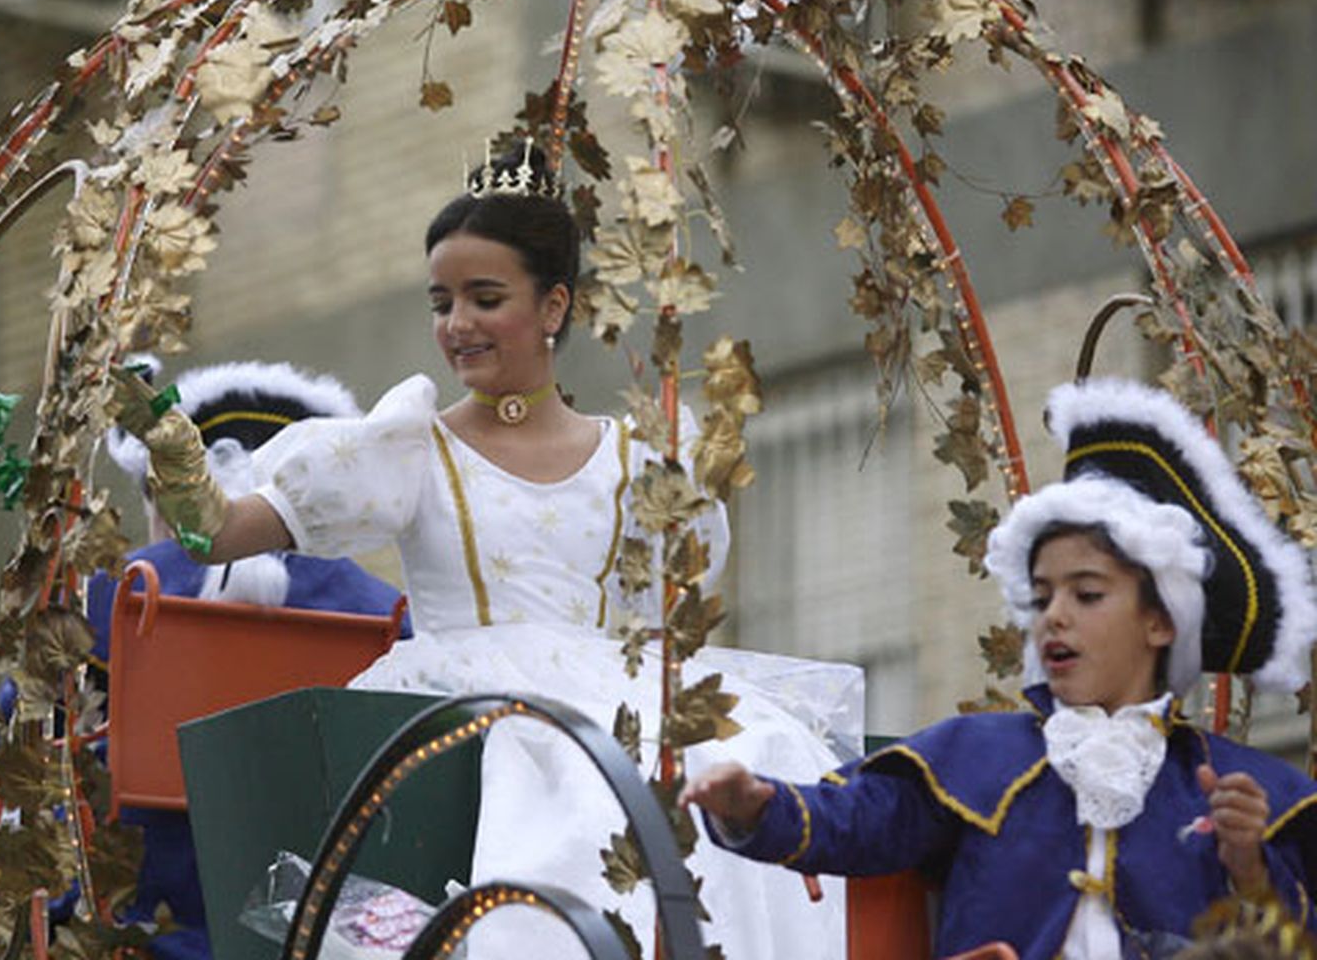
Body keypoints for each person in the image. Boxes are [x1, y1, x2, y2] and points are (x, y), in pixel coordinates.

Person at [112, 140, 857, 959]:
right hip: (465, 709)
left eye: (485, 297)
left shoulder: (643, 457)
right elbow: (217, 534)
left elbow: (676, 608)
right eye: (442, 301)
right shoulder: (409, 446)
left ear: (553, 306)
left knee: (743, 761)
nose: (457, 324)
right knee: (559, 798)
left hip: (621, 699)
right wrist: (175, 455)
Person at [683, 377, 1317, 960]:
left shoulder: (1240, 789)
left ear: (1161, 622)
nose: (1055, 618)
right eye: (1041, 598)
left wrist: (1250, 868)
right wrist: (758, 807)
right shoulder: (975, 756)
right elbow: (857, 819)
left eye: (1087, 594)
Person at [0, 359, 404, 960]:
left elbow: (16, 757)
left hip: (135, 925)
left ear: (170, 491)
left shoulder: (110, 596)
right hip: (322, 928)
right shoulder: (387, 614)